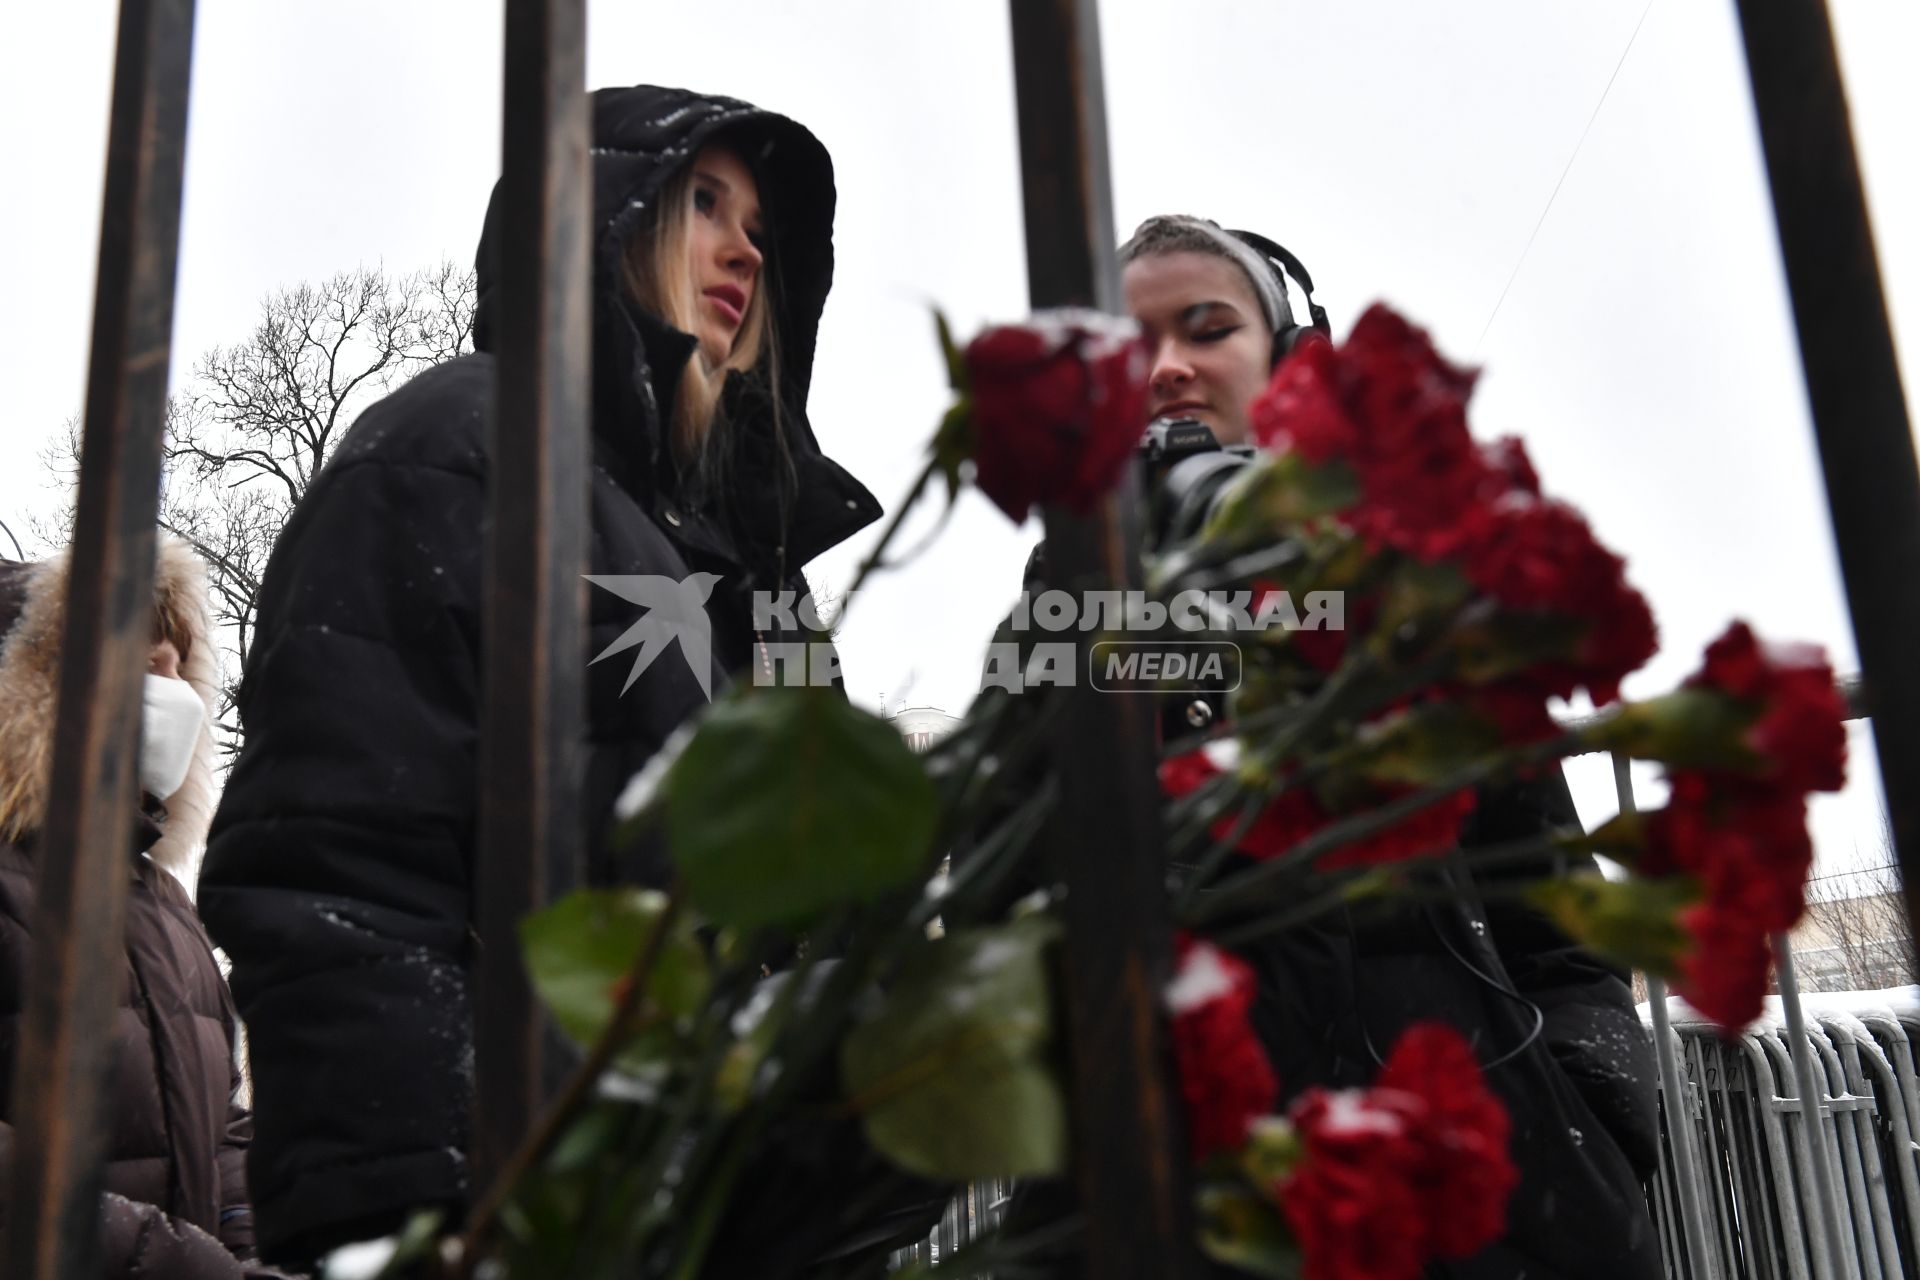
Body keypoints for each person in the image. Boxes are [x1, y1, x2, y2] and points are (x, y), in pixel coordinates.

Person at [197, 85, 884, 1270]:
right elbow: (337, 867)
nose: (741, 248)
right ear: (607, 218)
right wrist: (413, 1222)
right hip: (522, 1209)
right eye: (702, 202)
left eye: (762, 226)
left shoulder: (759, 565)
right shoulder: (454, 451)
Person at [1119, 214, 1664, 1280]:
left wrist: (1590, 1109)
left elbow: (1550, 898)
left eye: (1206, 326)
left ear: (1287, 362)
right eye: (1135, 344)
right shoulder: (1073, 617)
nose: (1169, 368)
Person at [0, 538, 279, 1279]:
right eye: (147, 666)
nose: (175, 694)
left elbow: (222, 1129)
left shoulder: (165, 906)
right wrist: (168, 1262)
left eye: (178, 668)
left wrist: (249, 1250)